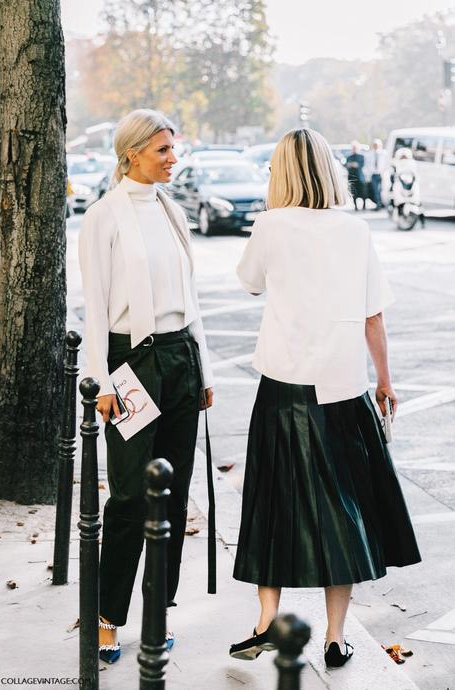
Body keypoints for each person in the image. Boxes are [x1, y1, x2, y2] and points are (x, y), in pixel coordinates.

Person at [229, 128, 421, 668]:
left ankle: (266, 622)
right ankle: (336, 637)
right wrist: (384, 382)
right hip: (342, 387)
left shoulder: (270, 225)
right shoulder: (355, 229)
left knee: (272, 502)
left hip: (284, 386)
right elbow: (373, 315)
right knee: (343, 508)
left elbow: (248, 281)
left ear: (282, 172)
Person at [79, 108, 214, 663]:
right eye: (162, 150)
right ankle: (107, 616)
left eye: (172, 148)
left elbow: (190, 295)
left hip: (181, 357)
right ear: (132, 152)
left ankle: (158, 613)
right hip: (131, 364)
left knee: (175, 494)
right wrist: (102, 379)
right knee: (132, 496)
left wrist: (201, 365)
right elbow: (94, 307)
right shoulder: (104, 217)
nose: (172, 158)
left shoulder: (171, 210)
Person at [390, 147, 426, 227]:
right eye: (402, 156)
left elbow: (416, 175)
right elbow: (393, 176)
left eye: (405, 156)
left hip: (411, 186)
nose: (404, 158)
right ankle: (398, 219)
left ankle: (422, 221)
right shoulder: (396, 164)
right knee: (397, 202)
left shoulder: (412, 164)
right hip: (400, 187)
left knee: (418, 203)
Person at [364, 138, 387, 210]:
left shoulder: (383, 154)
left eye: (377, 145)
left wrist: (384, 172)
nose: (375, 146)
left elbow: (386, 164)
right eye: (374, 145)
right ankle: (378, 204)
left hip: (381, 174)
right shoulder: (370, 154)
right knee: (376, 190)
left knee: (381, 190)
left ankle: (381, 203)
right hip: (373, 175)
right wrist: (368, 174)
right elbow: (367, 165)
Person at [346, 141, 366, 210]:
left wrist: (356, 165)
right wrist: (349, 165)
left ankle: (364, 205)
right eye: (353, 148)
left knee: (362, 192)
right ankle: (355, 206)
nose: (354, 149)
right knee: (353, 193)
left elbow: (362, 165)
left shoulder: (361, 156)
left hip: (359, 176)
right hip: (351, 177)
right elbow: (346, 165)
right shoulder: (349, 157)